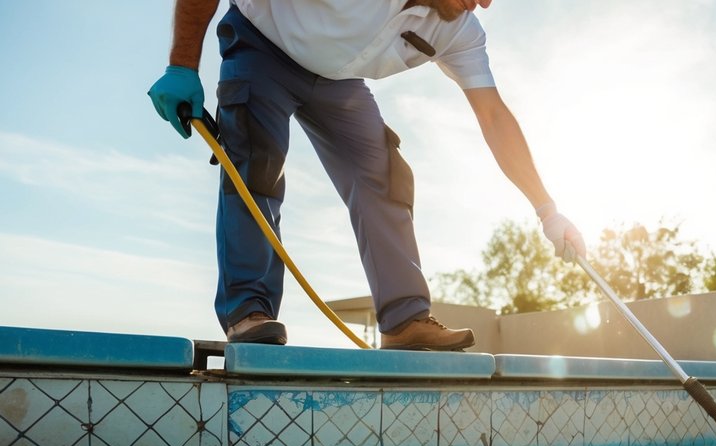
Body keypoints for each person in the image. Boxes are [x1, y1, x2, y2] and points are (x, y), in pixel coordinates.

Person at [148, 0, 586, 350]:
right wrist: (182, 65)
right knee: (257, 162)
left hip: (338, 80)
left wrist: (547, 210)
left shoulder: (460, 27)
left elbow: (493, 117)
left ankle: (404, 320)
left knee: (385, 172)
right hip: (264, 43)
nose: (485, 3)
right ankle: (249, 312)